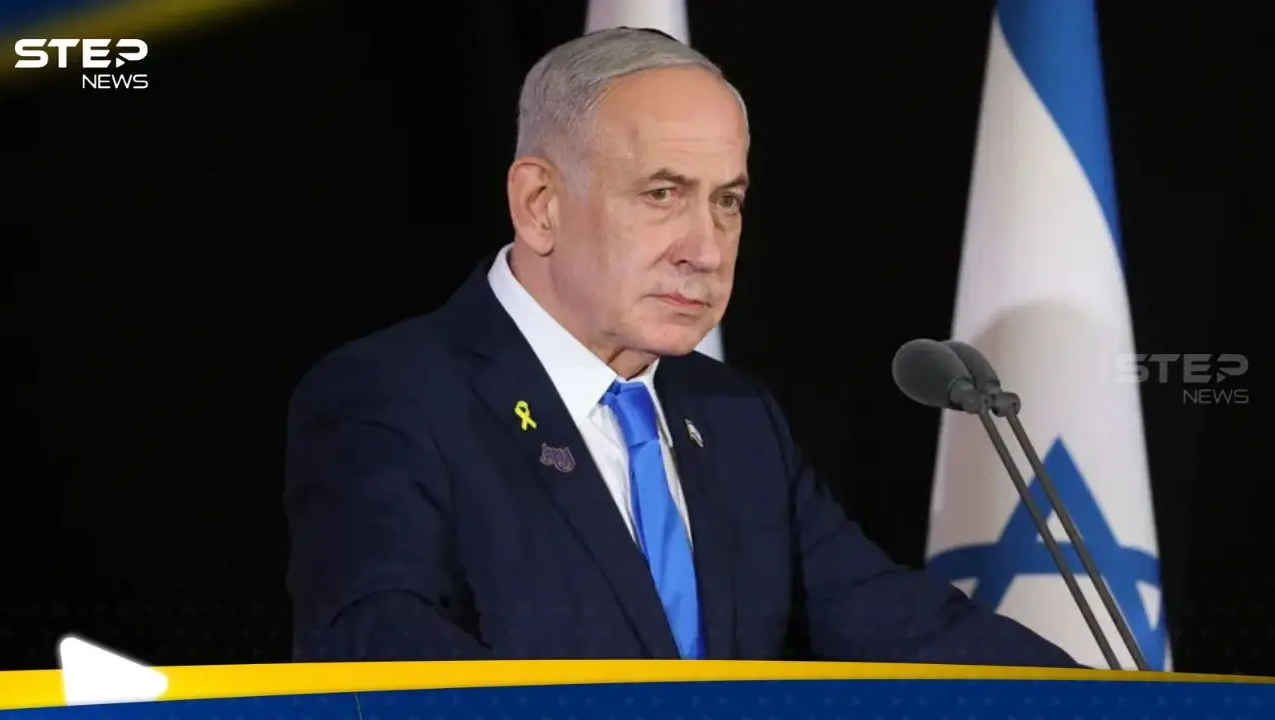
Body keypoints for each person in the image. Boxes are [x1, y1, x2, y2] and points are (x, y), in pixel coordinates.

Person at [283, 27, 1078, 666]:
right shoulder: (393, 398)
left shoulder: (734, 415)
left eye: (727, 201)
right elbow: (380, 653)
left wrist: (1106, 704)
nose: (706, 248)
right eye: (662, 194)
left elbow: (901, 626)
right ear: (540, 204)